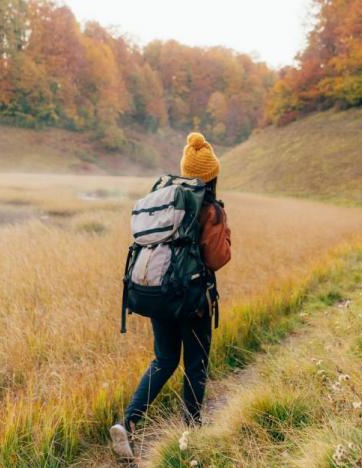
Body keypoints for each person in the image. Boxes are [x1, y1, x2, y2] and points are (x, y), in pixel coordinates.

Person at [110, 132, 232, 459]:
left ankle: (129, 422)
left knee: (164, 360)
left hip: (158, 295)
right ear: (212, 176)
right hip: (192, 300)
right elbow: (217, 258)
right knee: (195, 364)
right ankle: (191, 433)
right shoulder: (209, 209)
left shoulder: (165, 201)